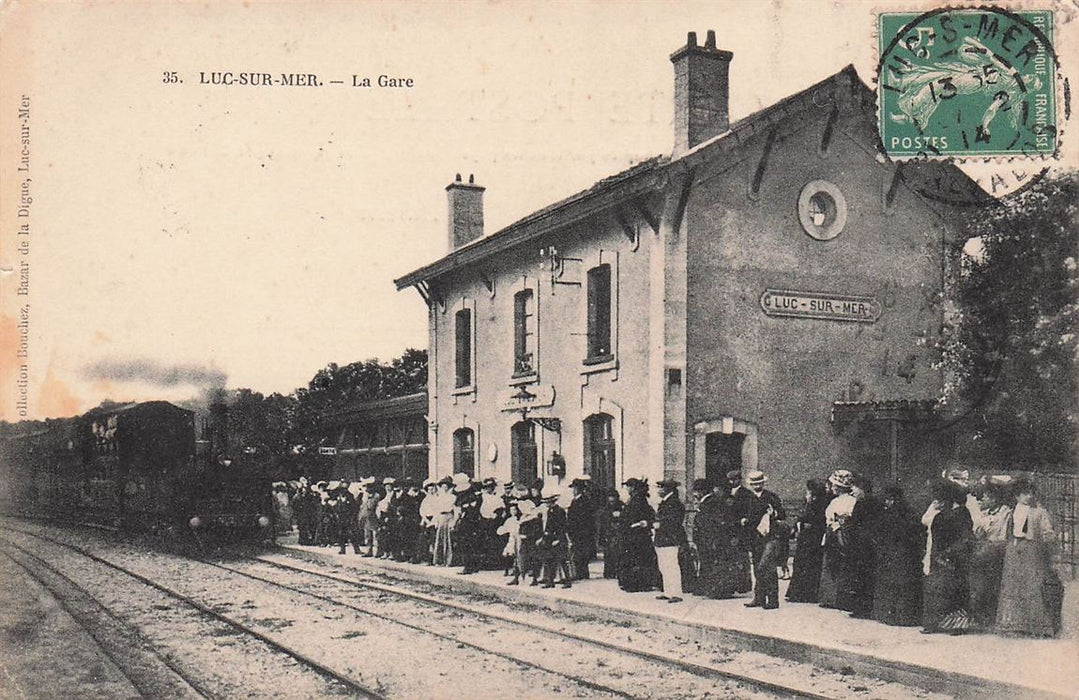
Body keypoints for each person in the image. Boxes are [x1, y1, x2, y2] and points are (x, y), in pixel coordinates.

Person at [996, 479, 1061, 637]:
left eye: (1030, 493)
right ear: (1017, 496)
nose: (1028, 496)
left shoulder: (1039, 512)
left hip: (1031, 548)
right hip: (1014, 548)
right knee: (1013, 585)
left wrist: (1049, 537)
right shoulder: (1011, 511)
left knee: (1032, 585)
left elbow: (1047, 531)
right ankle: (1014, 625)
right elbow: (1006, 530)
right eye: (1025, 493)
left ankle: (1036, 626)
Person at [921, 478, 974, 634]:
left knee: (954, 591)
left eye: (940, 499)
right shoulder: (941, 515)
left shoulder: (961, 514)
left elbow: (966, 538)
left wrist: (951, 552)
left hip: (955, 557)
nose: (937, 502)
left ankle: (957, 625)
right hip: (940, 556)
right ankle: (935, 623)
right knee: (938, 589)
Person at [870, 485, 923, 626]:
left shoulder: (891, 514)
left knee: (893, 585)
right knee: (903, 586)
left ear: (892, 500)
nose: (886, 503)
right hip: (905, 553)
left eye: (888, 500)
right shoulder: (909, 513)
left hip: (894, 553)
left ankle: (892, 615)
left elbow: (881, 532)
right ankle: (904, 616)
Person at [968, 481, 1011, 629]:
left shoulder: (1006, 513)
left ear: (994, 498)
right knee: (981, 585)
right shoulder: (983, 513)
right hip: (985, 551)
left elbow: (1002, 532)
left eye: (985, 497)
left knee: (995, 585)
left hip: (999, 550)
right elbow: (978, 532)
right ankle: (981, 617)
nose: (981, 500)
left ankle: (992, 618)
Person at [742, 470, 786, 609]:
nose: (756, 486)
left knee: (767, 567)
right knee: (757, 567)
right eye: (754, 484)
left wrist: (774, 514)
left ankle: (773, 600)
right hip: (754, 537)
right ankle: (759, 598)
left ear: (763, 483)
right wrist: (743, 520)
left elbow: (782, 515)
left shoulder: (771, 497)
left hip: (770, 536)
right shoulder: (747, 498)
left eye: (759, 483)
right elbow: (742, 514)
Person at [786, 479, 830, 603]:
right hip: (805, 538)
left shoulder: (820, 505)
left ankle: (808, 594)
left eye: (809, 492)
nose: (807, 494)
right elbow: (802, 516)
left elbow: (819, 521)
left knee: (810, 565)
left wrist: (805, 524)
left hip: (813, 539)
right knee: (801, 564)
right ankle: (798, 592)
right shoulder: (808, 504)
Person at [819, 469, 856, 610]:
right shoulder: (839, 501)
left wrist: (838, 523)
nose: (832, 487)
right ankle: (832, 598)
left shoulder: (845, 502)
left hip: (839, 535)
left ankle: (836, 598)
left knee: (836, 565)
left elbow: (844, 519)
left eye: (834, 485)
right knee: (834, 565)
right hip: (836, 534)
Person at [843, 475, 878, 618]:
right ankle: (864, 607)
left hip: (862, 544)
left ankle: (862, 609)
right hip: (866, 544)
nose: (853, 491)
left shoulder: (863, 503)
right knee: (865, 576)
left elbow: (857, 523)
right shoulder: (873, 502)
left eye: (855, 488)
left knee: (862, 575)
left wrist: (848, 522)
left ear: (862, 489)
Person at [618, 478, 659, 593]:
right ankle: (634, 583)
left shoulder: (638, 499)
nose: (627, 489)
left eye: (628, 486)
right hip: (634, 535)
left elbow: (633, 516)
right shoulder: (635, 499)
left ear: (633, 487)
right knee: (636, 559)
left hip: (636, 535)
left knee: (637, 559)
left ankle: (637, 584)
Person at [654, 480, 688, 603]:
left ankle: (676, 593)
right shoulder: (666, 502)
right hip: (663, 538)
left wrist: (659, 524)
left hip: (670, 538)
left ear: (669, 489)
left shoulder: (674, 503)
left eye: (661, 488)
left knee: (672, 566)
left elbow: (673, 521)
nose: (659, 490)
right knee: (664, 566)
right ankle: (668, 592)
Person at [537, 486, 572, 588]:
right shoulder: (549, 511)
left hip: (559, 539)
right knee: (549, 560)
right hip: (550, 539)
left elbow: (563, 527)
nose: (547, 504)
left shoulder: (559, 511)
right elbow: (548, 527)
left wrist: (558, 539)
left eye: (548, 501)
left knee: (563, 560)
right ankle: (550, 581)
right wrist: (543, 538)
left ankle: (567, 581)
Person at [567, 477, 597, 580]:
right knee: (577, 552)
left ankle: (582, 573)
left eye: (575, 488)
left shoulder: (584, 501)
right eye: (573, 488)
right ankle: (579, 572)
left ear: (580, 489)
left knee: (582, 552)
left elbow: (585, 518)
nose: (573, 490)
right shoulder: (575, 500)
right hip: (576, 531)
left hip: (582, 531)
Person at [598, 489, 624, 579]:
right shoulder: (606, 509)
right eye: (610, 500)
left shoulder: (622, 507)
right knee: (608, 554)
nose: (611, 501)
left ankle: (617, 572)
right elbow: (603, 524)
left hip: (617, 534)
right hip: (608, 534)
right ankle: (609, 572)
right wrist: (602, 537)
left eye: (613, 500)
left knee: (618, 554)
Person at [432, 477, 456, 566]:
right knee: (440, 539)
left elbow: (455, 510)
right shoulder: (439, 498)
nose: (444, 488)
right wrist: (436, 521)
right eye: (443, 486)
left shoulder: (453, 497)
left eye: (446, 486)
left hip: (449, 516)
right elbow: (437, 510)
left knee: (448, 539)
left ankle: (448, 561)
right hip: (441, 517)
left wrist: (453, 521)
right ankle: (439, 560)